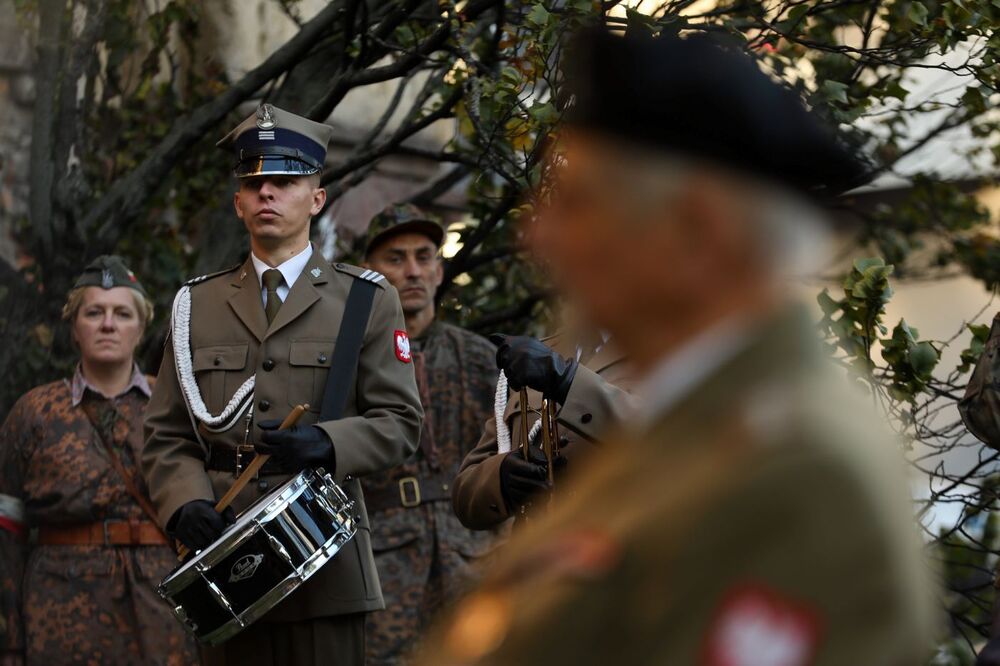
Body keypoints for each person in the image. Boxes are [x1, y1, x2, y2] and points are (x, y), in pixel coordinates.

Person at [416, 28, 937, 665]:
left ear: (696, 230)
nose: (538, 237)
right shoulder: (699, 418)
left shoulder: (798, 476)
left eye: (580, 205)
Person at [141, 104, 423, 666]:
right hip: (224, 563)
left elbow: (400, 423)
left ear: (316, 199)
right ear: (238, 202)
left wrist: (328, 443)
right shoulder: (196, 304)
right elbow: (167, 433)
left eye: (285, 182)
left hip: (324, 563)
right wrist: (185, 501)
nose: (267, 192)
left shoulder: (365, 299)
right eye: (253, 183)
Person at [0, 256, 198, 666]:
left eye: (122, 314)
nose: (108, 324)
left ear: (141, 328)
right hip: (59, 610)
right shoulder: (35, 412)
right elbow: (7, 535)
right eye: (94, 313)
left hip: (162, 609)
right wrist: (10, 641)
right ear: (74, 327)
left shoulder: (175, 406)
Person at [358, 203, 502, 665]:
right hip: (384, 565)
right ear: (369, 271)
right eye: (395, 258)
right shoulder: (348, 361)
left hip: (473, 558)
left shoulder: (481, 357)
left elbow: (511, 456)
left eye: (424, 257)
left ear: (439, 271)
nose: (413, 271)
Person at [451, 329, 632, 529]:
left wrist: (568, 380)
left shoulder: (656, 350)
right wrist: (502, 478)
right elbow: (464, 497)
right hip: (539, 543)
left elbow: (658, 442)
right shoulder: (537, 352)